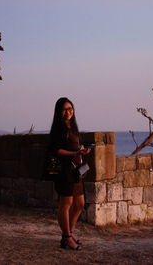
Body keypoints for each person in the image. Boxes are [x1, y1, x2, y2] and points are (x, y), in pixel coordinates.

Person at [49, 97, 91, 250]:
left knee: (79, 204)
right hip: (64, 171)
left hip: (76, 171)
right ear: (59, 111)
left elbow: (75, 147)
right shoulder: (59, 129)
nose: (68, 112)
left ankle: (69, 233)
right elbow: (57, 150)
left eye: (70, 108)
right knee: (66, 204)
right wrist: (75, 151)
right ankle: (66, 237)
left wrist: (83, 150)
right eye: (65, 109)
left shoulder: (72, 127)